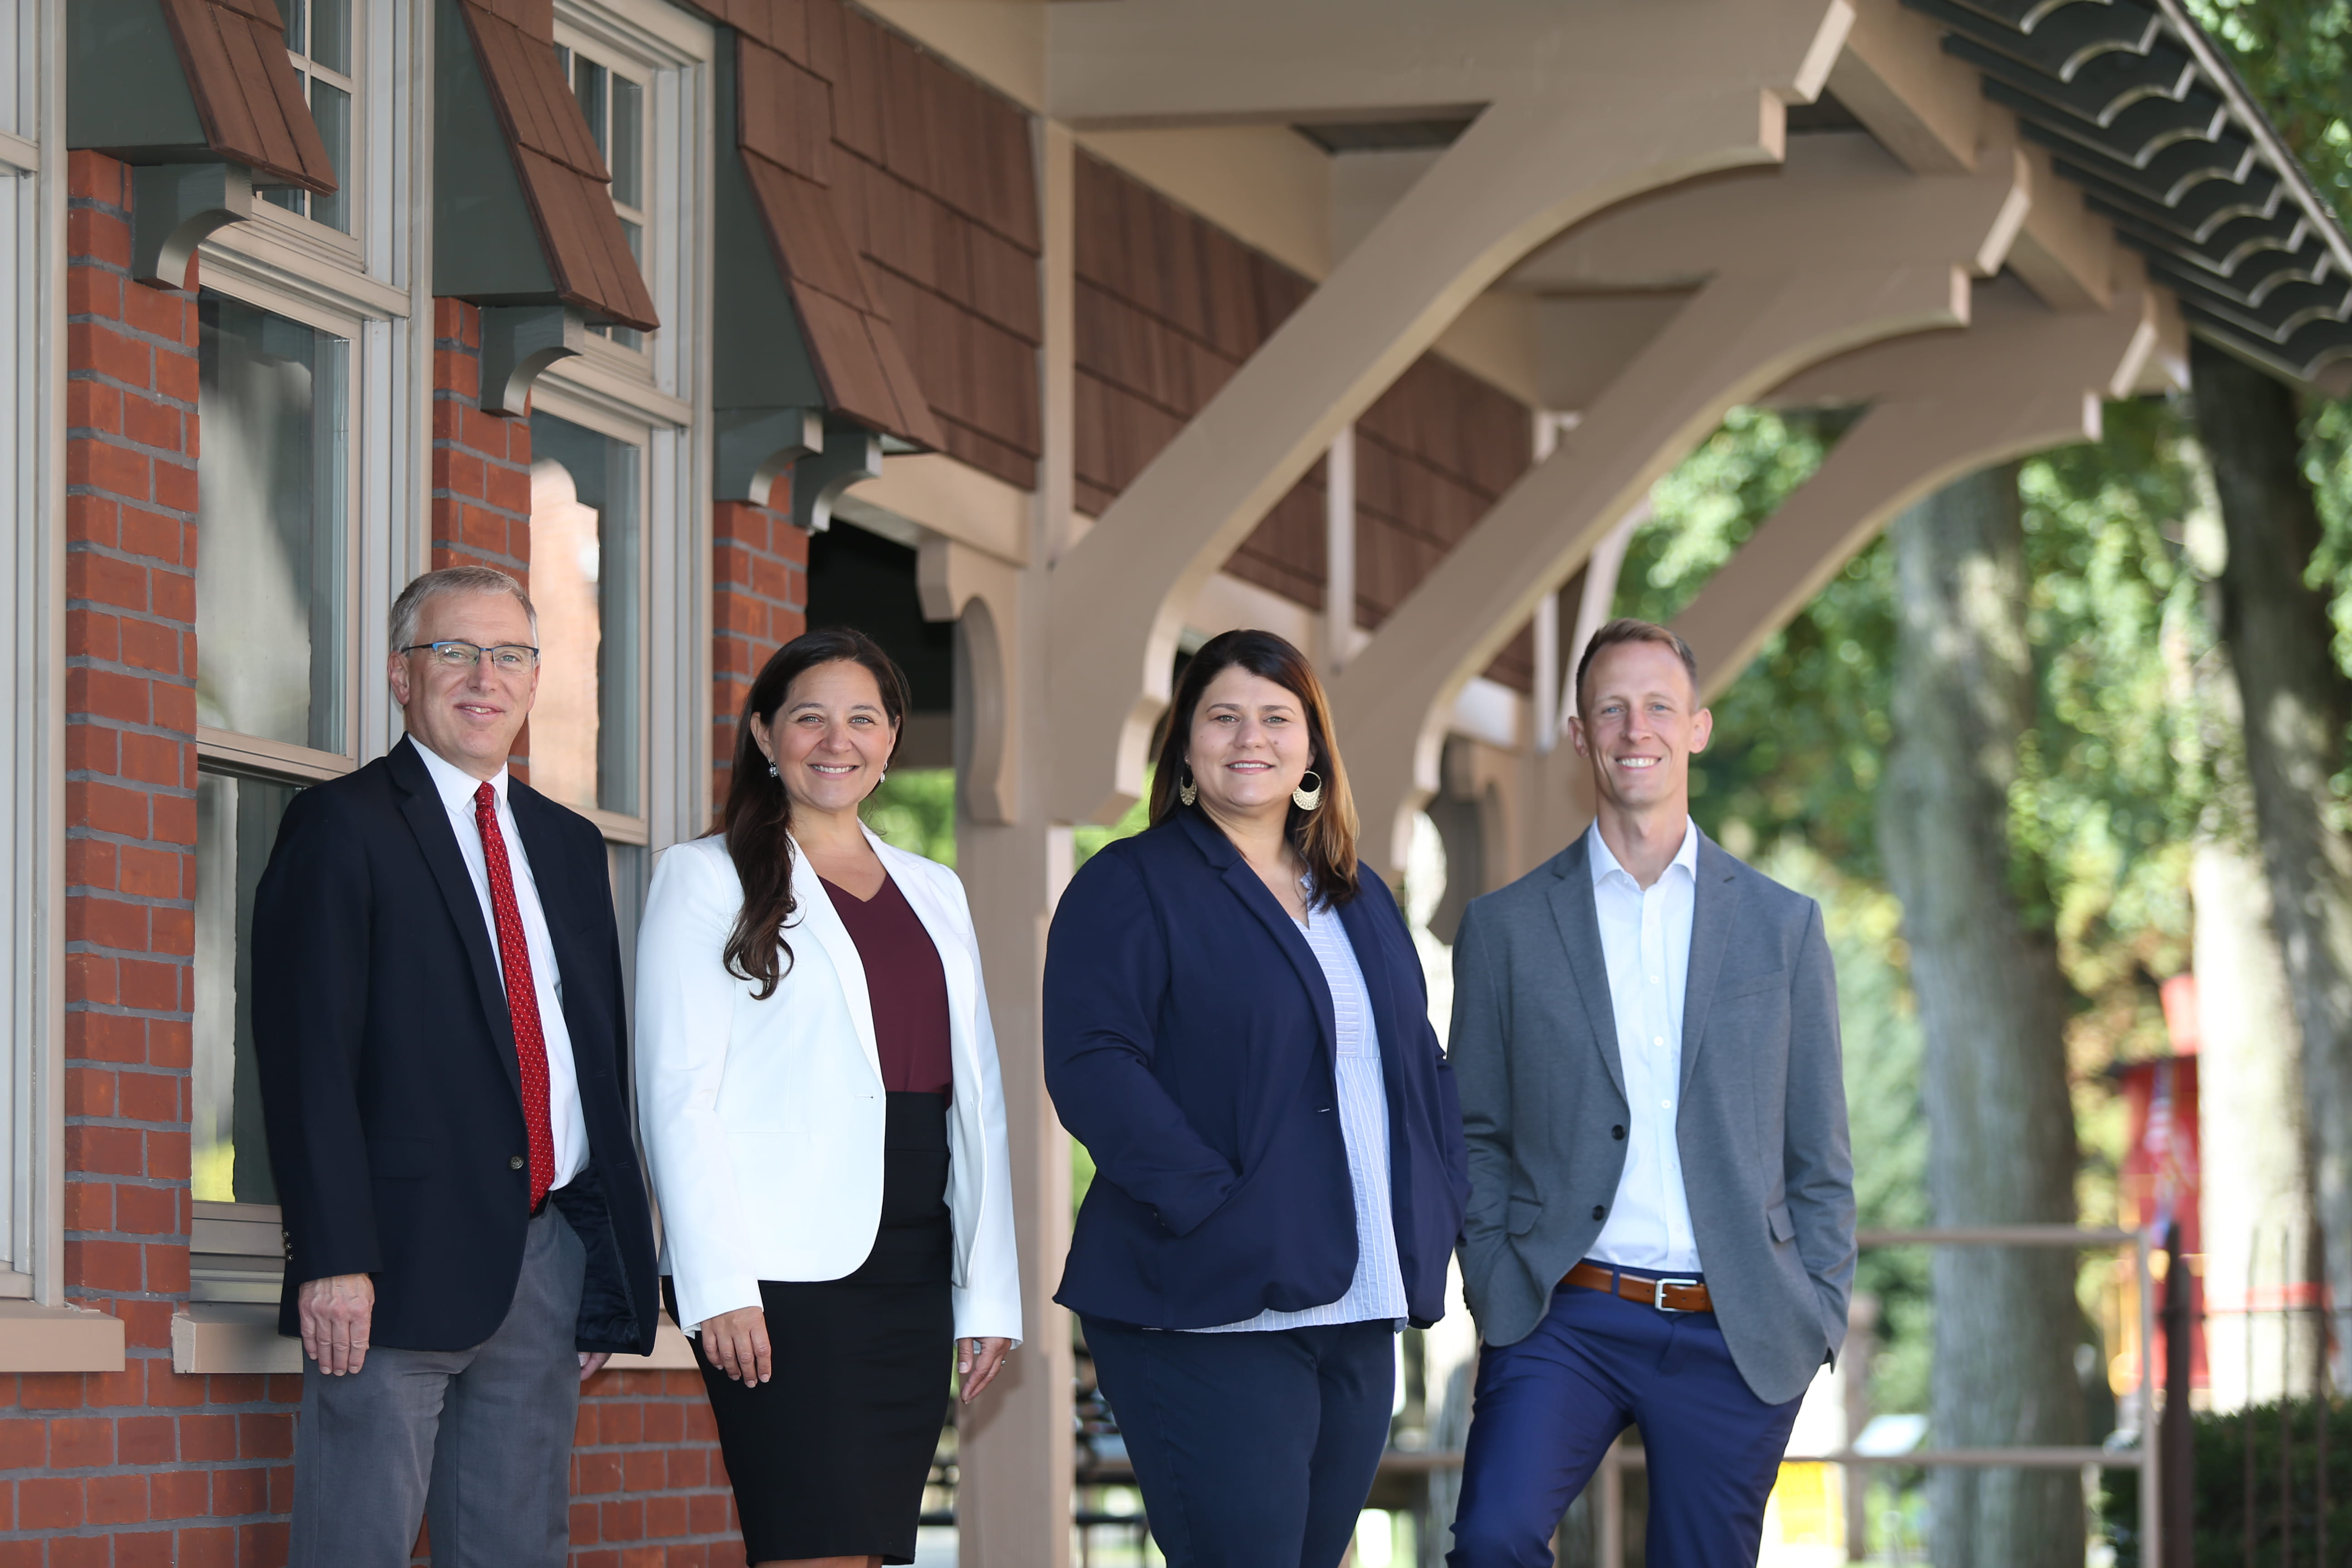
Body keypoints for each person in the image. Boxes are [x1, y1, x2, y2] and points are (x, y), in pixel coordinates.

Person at [250, 565, 660, 1568]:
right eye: (453, 651)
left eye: (509, 654)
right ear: (402, 675)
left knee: (518, 1551)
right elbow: (307, 1056)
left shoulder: (568, 846)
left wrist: (607, 1267)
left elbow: (591, 1069)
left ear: (533, 677)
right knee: (359, 1546)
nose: (484, 676)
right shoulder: (342, 825)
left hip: (546, 1263)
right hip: (391, 1265)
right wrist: (332, 1255)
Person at [1045, 628, 1470, 1568]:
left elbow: (1419, 1067)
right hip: (1208, 1303)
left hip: (1356, 1307)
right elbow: (1092, 1063)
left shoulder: (1357, 898)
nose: (1252, 739)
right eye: (1224, 717)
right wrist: (1215, 1203)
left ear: (1312, 747)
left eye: (1278, 718)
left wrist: (1440, 1203)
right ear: (1186, 745)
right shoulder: (1133, 882)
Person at [1445, 617, 1856, 1568]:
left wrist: (1817, 1305)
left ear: (1698, 728)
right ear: (1581, 736)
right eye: (1613, 710)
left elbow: (1818, 1148)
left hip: (1736, 1324)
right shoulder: (1504, 930)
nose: (1639, 729)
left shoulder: (1782, 928)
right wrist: (1498, 1279)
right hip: (1564, 1314)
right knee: (1493, 1541)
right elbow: (1475, 1130)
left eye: (1660, 707)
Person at [634, 627, 1021, 1568]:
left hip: (914, 1264)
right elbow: (675, 1094)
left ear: (891, 739)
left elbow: (979, 1102)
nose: (834, 740)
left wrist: (988, 1291)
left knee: (869, 1547)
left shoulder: (937, 891)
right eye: (808, 717)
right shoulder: (704, 876)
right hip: (782, 1277)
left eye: (861, 718)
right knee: (812, 1543)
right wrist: (719, 1283)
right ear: (766, 735)